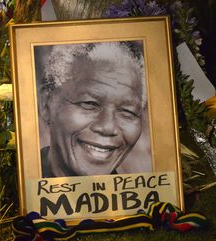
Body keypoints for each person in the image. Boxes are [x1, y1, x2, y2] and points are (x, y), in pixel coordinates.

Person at [36, 41, 149, 178]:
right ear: (46, 103)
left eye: (127, 112)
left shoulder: (143, 196)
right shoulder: (15, 188)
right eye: (89, 104)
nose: (107, 127)